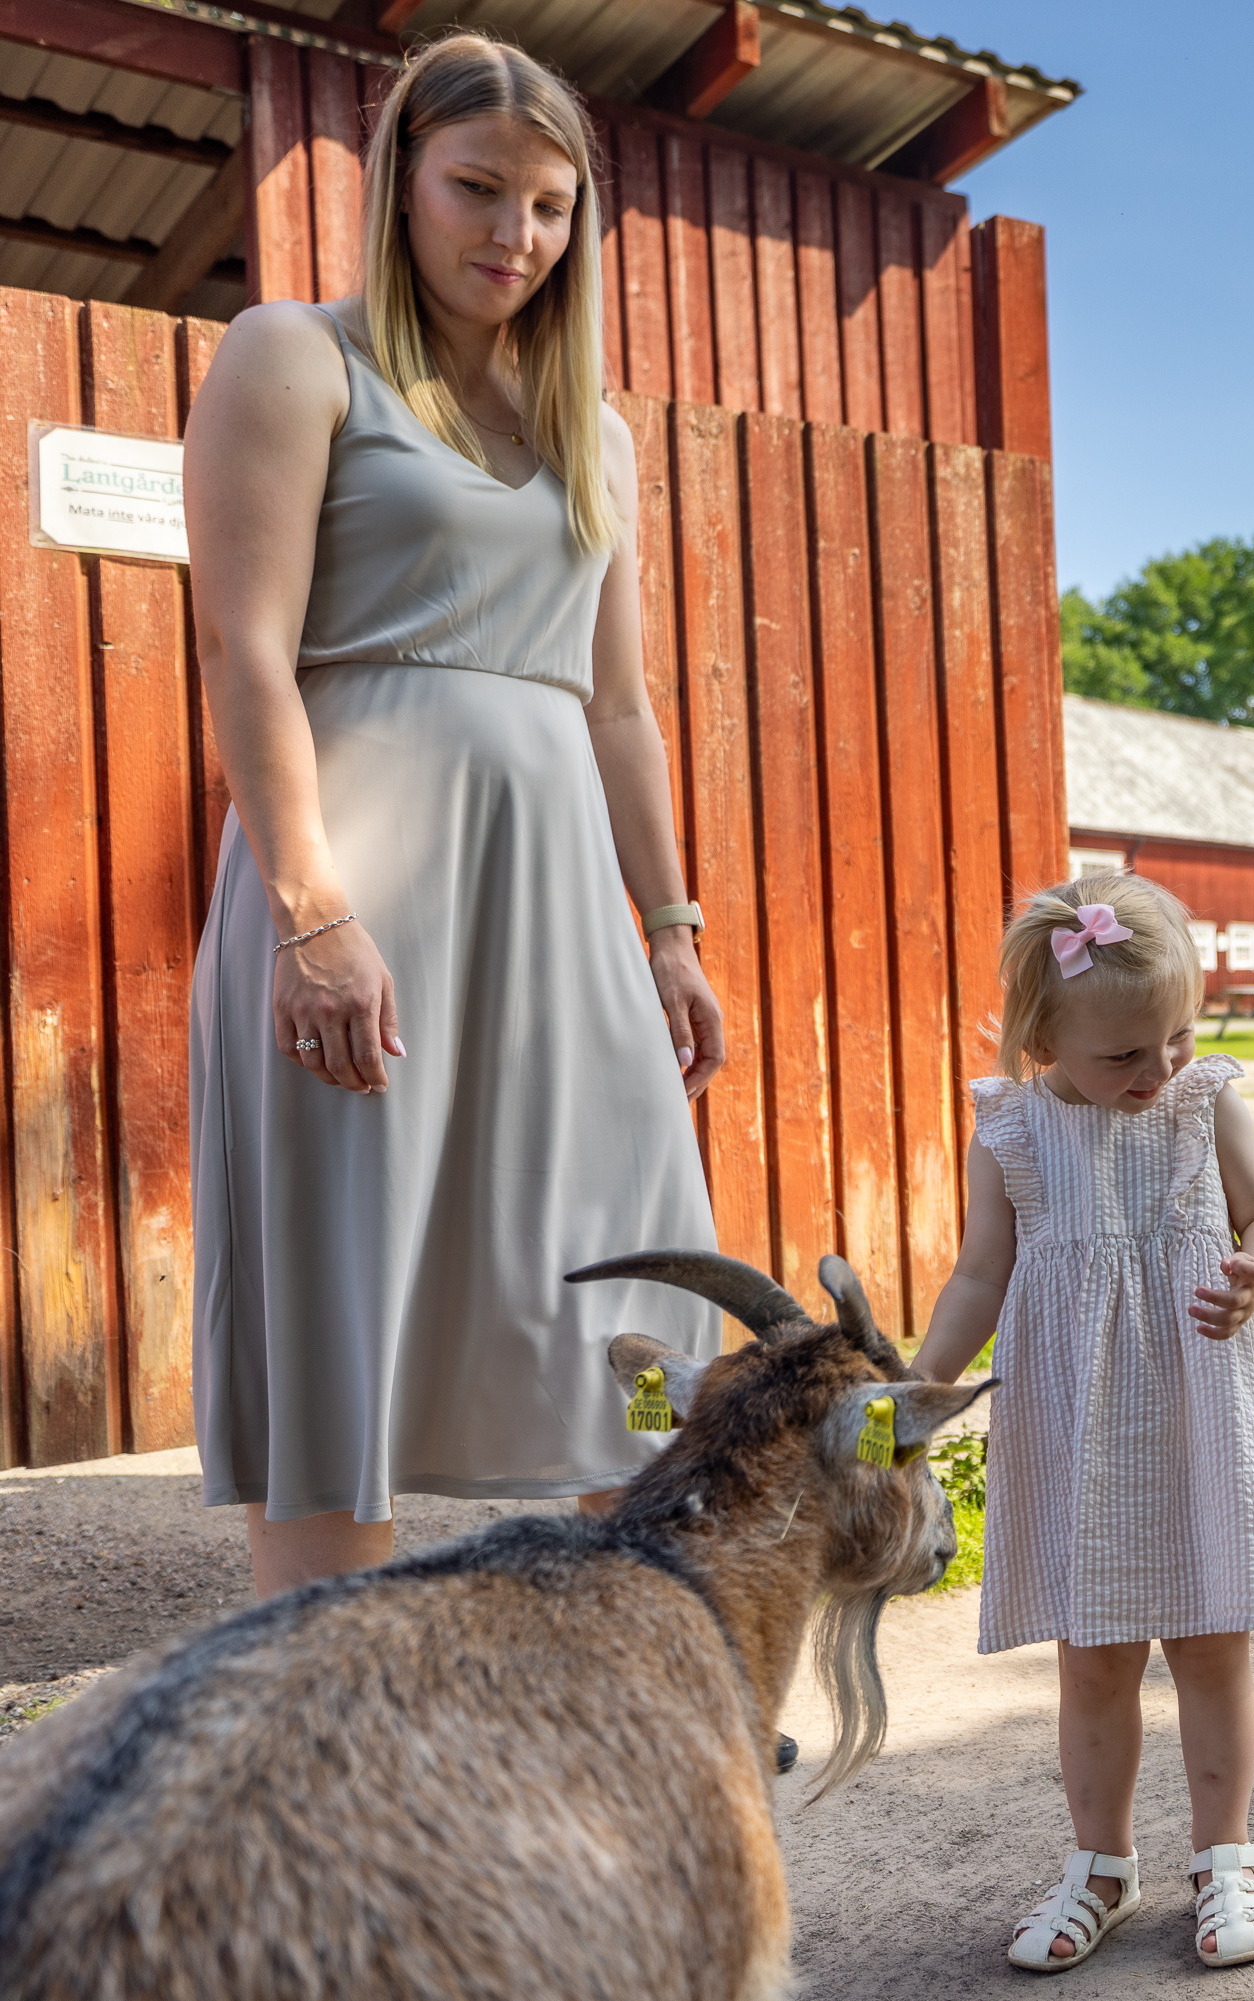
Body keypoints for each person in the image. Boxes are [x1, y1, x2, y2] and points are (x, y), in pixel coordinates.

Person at [183, 36, 726, 1598]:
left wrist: (672, 933)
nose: (516, 235)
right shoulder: (298, 357)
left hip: (562, 914)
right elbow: (246, 655)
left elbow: (619, 706)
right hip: (363, 898)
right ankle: (321, 1719)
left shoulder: (596, 434)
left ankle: (606, 1692)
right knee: (342, 1306)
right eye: (478, 190)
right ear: (401, 186)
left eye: (551, 208)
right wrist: (312, 910)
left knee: (628, 1296)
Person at [909, 873, 1254, 1975]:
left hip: (1194, 1404)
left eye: (1175, 1039)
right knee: (1093, 1658)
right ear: (1042, 1037)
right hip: (1079, 1429)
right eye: (1124, 1056)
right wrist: (924, 1386)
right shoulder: (1013, 1133)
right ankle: (1101, 1863)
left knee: (1209, 1642)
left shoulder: (1204, 1101)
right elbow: (977, 1277)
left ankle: (1227, 1856)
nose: (1157, 1072)